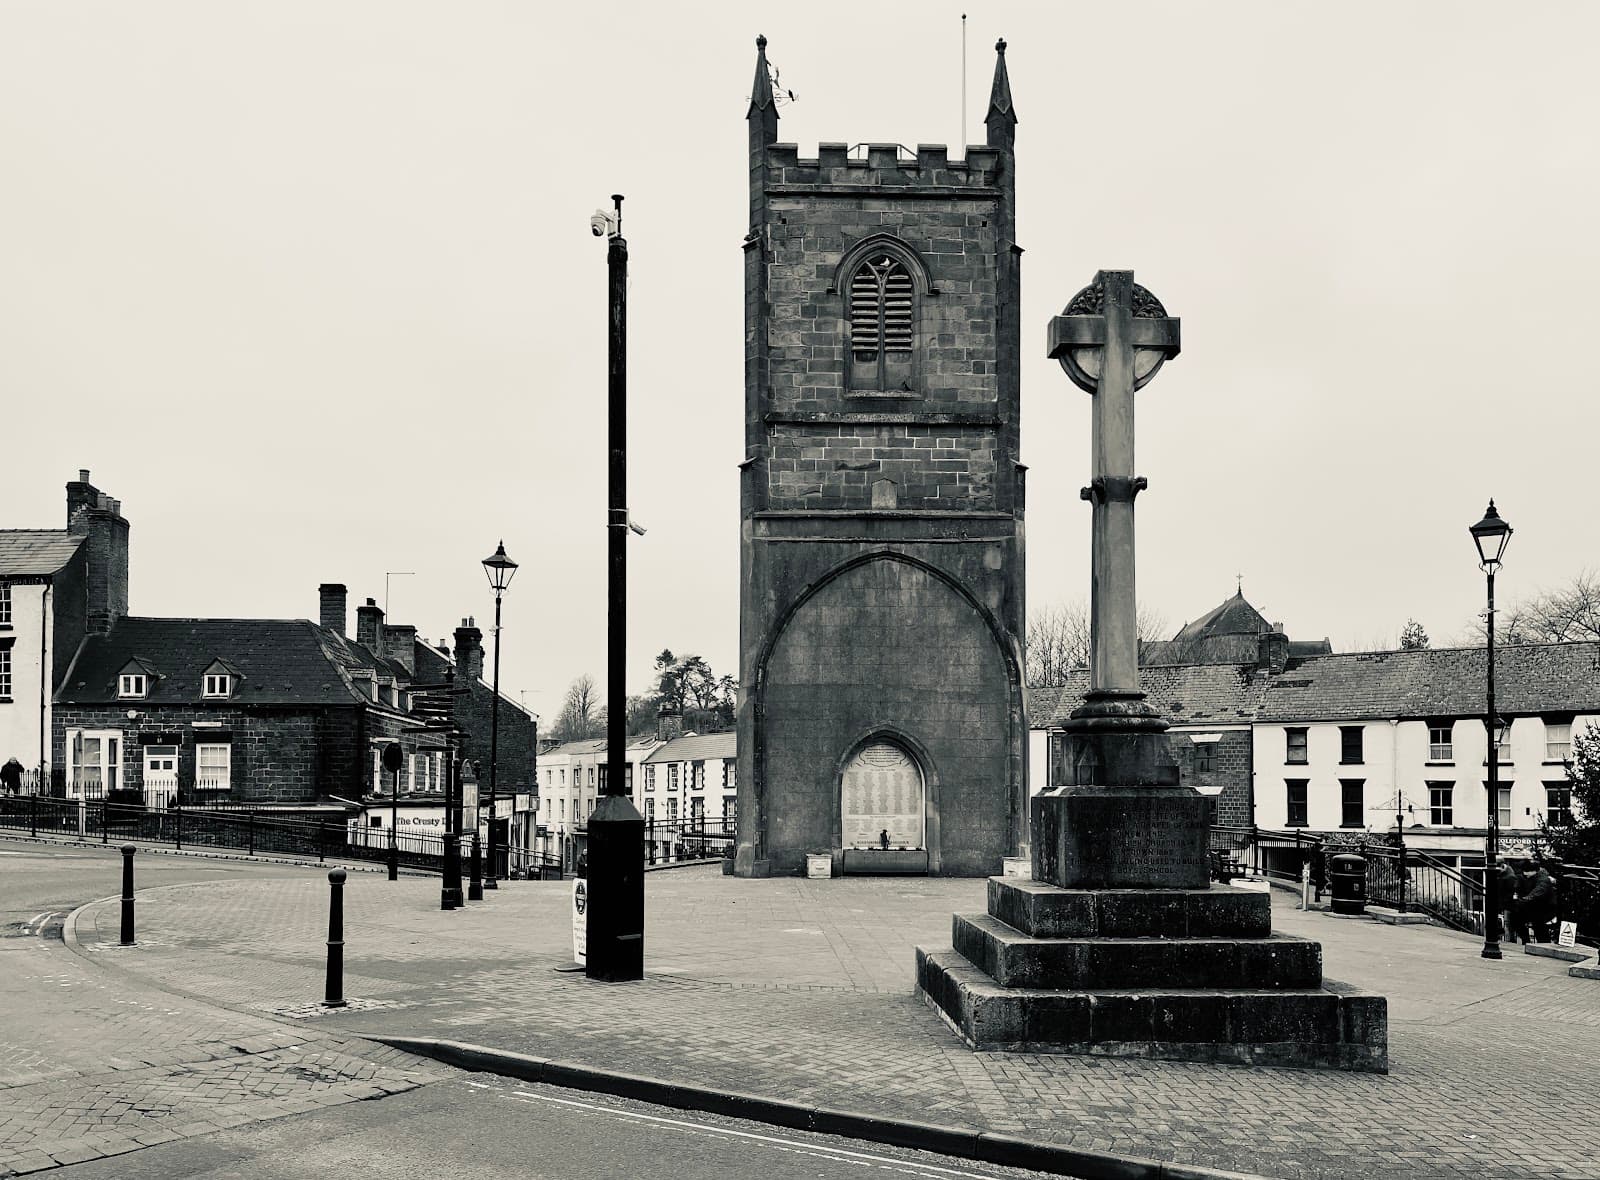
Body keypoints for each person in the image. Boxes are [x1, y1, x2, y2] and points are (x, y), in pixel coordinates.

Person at [1513, 859, 1558, 944]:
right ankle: (1527, 941)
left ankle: (1543, 944)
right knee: (1518, 919)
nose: (1525, 875)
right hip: (1534, 906)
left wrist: (1525, 899)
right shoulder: (1527, 877)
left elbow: (1538, 891)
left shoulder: (1543, 879)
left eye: (1527, 873)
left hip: (1545, 908)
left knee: (1539, 924)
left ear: (1534, 871)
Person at [1496, 860, 1520, 943]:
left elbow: (1510, 892)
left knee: (1508, 923)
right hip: (1507, 903)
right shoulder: (1507, 876)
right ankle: (1509, 939)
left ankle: (1510, 940)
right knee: (1508, 923)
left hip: (1508, 904)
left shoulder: (1509, 877)